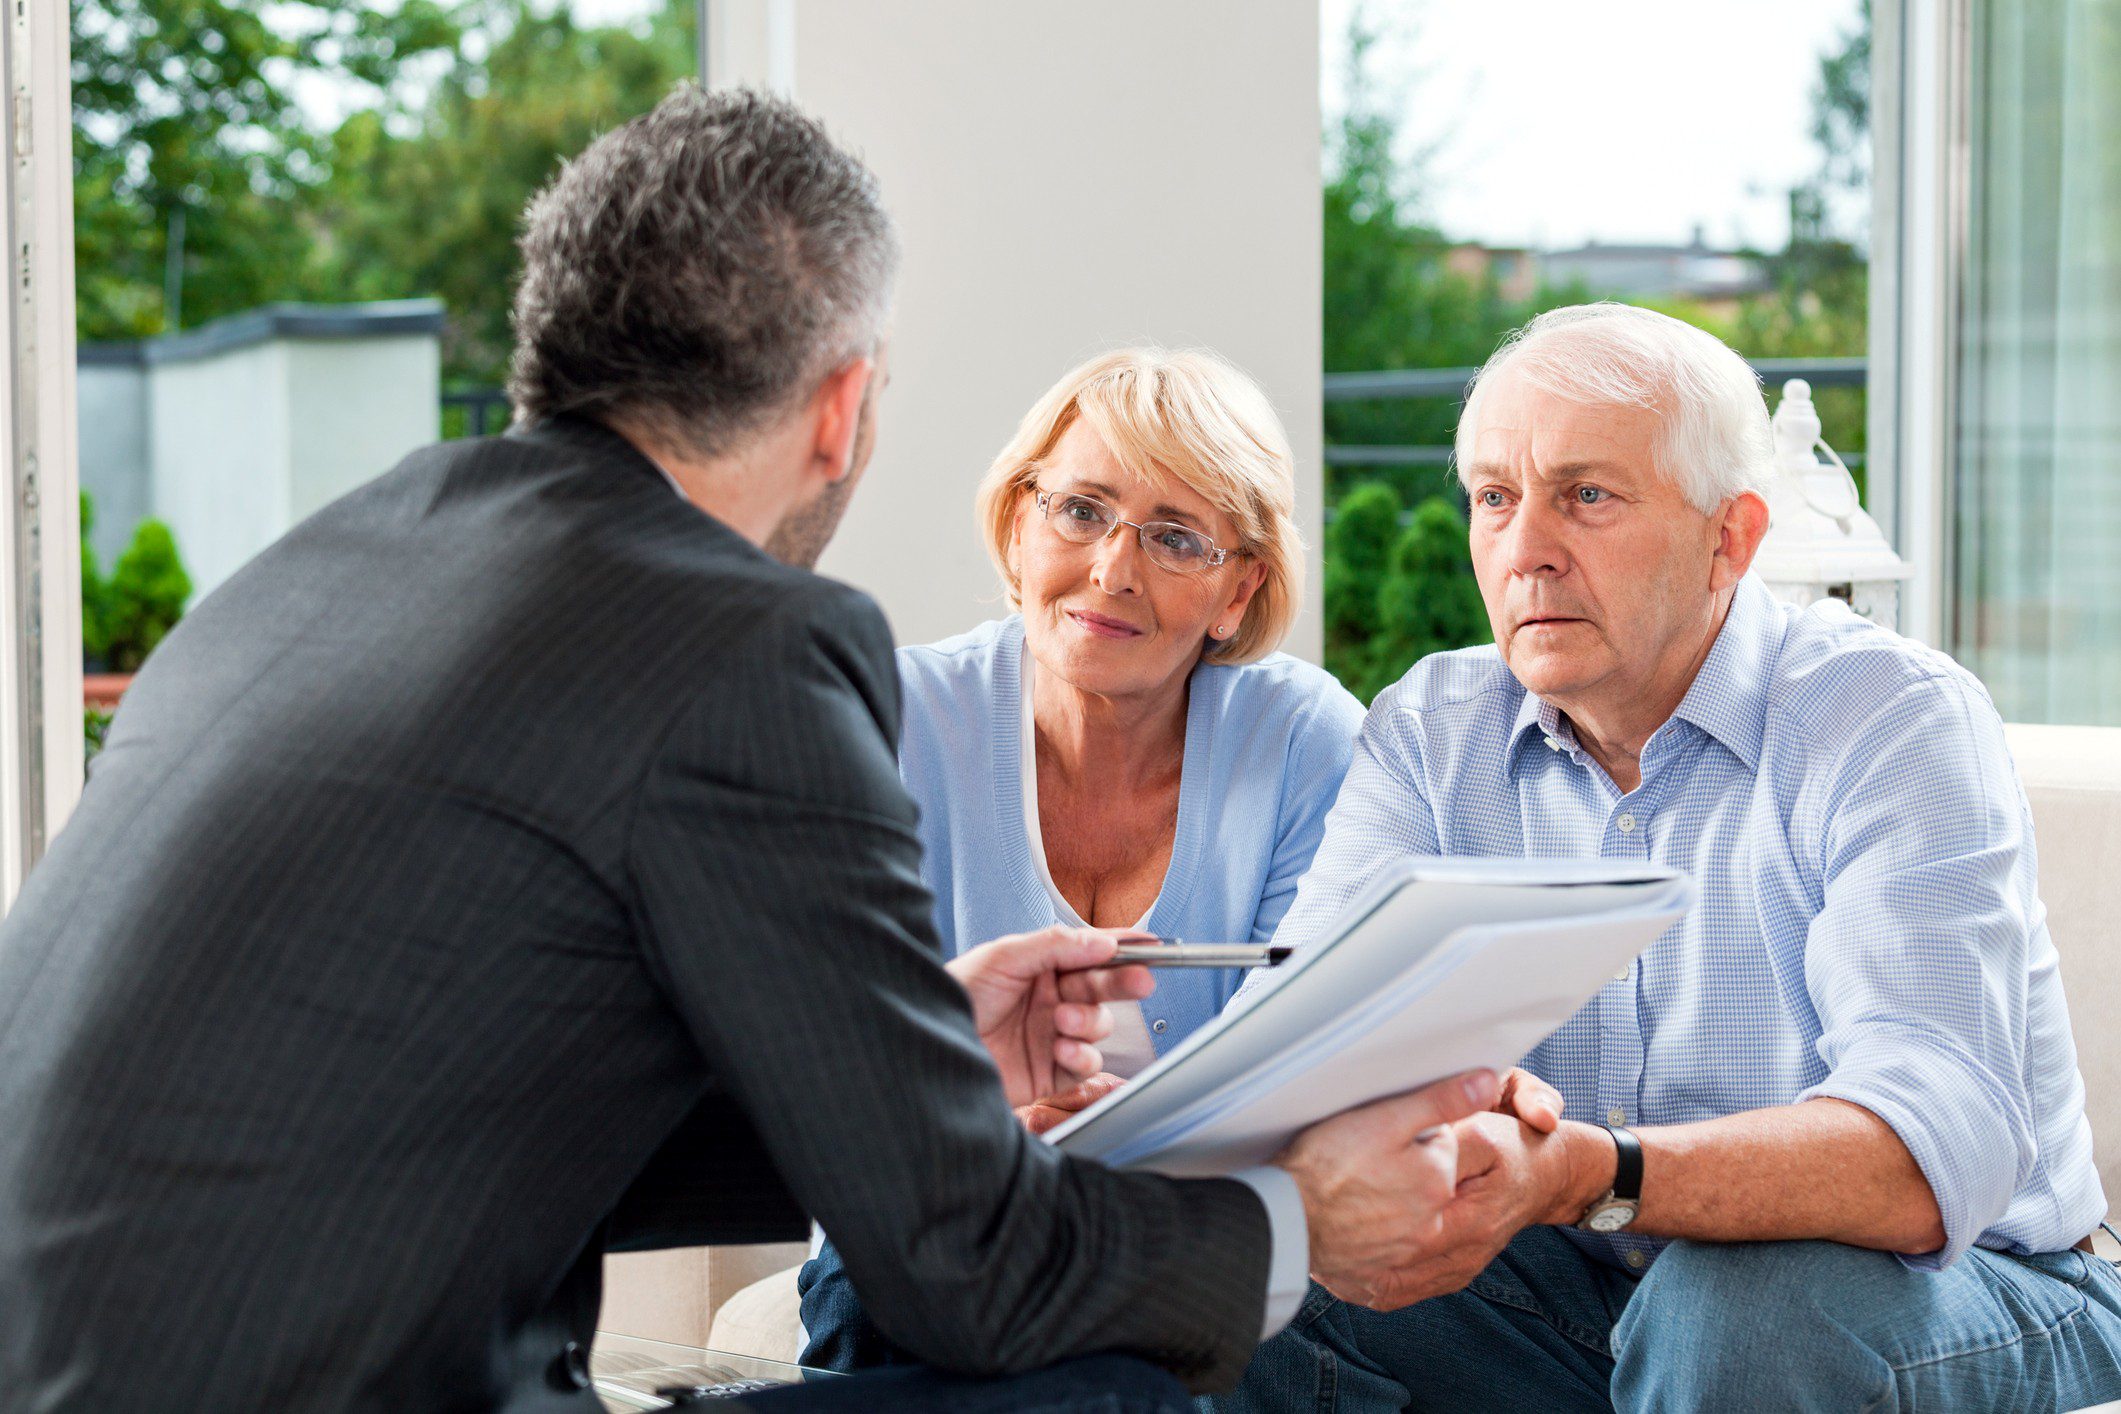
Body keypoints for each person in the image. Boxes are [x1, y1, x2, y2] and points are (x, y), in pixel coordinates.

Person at [0, 86, 1504, 1413]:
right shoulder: (747, 645)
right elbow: (970, 1276)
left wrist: (912, 1065)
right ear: (843, 405)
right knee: (1093, 1391)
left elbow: (472, 1128)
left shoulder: (314, 571)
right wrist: (1298, 1223)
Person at [1214, 302, 2121, 1412]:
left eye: (1586, 496)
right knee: (1245, 1263)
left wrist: (1598, 1170)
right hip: (1588, 1292)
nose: (1525, 548)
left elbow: (1926, 1159)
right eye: (1495, 498)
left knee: (1736, 1309)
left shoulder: (1891, 719)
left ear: (1731, 538)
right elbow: (1302, 1049)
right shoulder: (1433, 725)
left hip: (1969, 1286)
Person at [798, 347, 1369, 1369]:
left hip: (1192, 1225)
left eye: (1176, 537)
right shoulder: (887, 716)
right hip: (945, 1206)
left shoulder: (1304, 739)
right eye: (1081, 511)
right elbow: (821, 1047)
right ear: (1020, 524)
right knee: (880, 1276)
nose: (1113, 569)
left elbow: (1300, 1071)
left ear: (1239, 590)